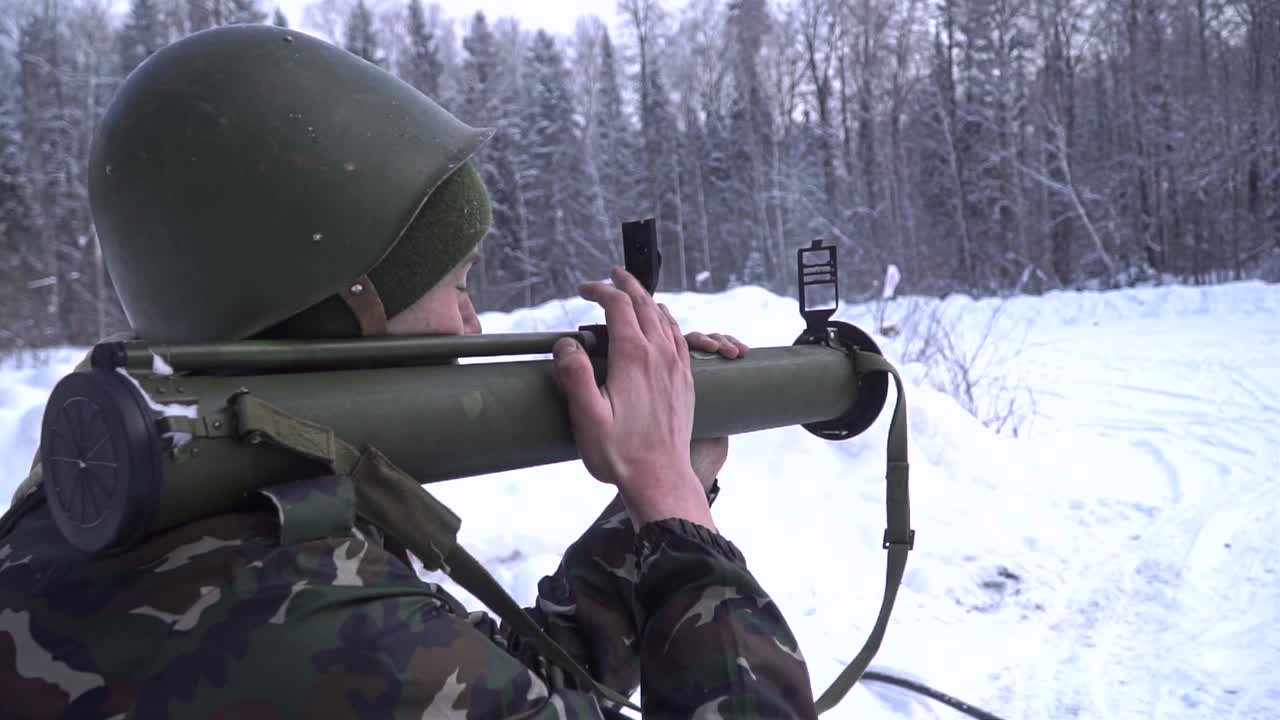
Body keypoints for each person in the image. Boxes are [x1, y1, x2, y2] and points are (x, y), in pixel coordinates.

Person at [0, 25, 817, 719]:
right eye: (457, 286)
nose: (472, 324)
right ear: (340, 309)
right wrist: (677, 513)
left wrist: (665, 490)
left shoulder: (93, 514)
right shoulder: (309, 609)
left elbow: (498, 684)